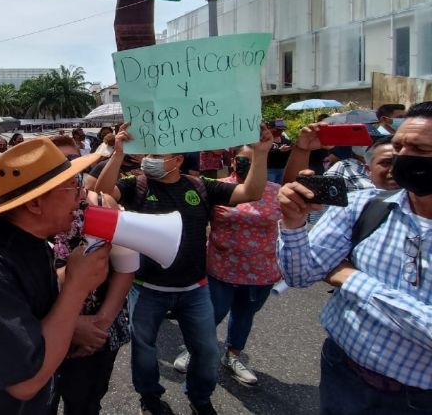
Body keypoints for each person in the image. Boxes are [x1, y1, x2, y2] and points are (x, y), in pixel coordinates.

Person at [94, 122, 272, 415]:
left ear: (178, 160)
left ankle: (200, 397)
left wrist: (261, 154)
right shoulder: (136, 185)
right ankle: (150, 397)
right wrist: (117, 154)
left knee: (206, 351)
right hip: (146, 288)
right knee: (144, 352)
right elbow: (102, 193)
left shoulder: (200, 186)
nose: (149, 159)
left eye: (158, 155)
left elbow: (249, 192)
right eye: (147, 154)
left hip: (194, 290)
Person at [276, 101, 432, 415]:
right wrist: (293, 225)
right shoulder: (363, 206)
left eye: (420, 149)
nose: (401, 158)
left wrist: (352, 278)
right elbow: (301, 275)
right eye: (398, 145)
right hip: (342, 372)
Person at [0, 138, 110, 414]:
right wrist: (76, 287)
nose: (81, 194)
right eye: (73, 185)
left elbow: (30, 294)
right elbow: (25, 381)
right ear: (36, 204)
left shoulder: (28, 238)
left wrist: (73, 273)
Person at [174, 146, 283, 387]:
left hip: (260, 272)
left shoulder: (277, 192)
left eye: (254, 161)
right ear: (233, 161)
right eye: (243, 160)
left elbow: (295, 223)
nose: (246, 165)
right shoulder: (216, 188)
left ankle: (232, 356)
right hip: (220, 269)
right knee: (210, 314)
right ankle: (194, 349)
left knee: (244, 316)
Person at [47, 136, 133, 415]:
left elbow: (125, 268)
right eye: (58, 164)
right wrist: (71, 327)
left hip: (98, 330)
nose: (70, 170)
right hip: (43, 329)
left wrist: (100, 324)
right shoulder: (27, 211)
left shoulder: (102, 203)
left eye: (74, 161)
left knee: (85, 403)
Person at [266, 118, 292, 183]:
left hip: (282, 169)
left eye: (282, 129)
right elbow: (263, 154)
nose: (280, 131)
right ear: (269, 128)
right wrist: (279, 151)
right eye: (278, 129)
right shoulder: (264, 140)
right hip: (269, 169)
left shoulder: (285, 140)